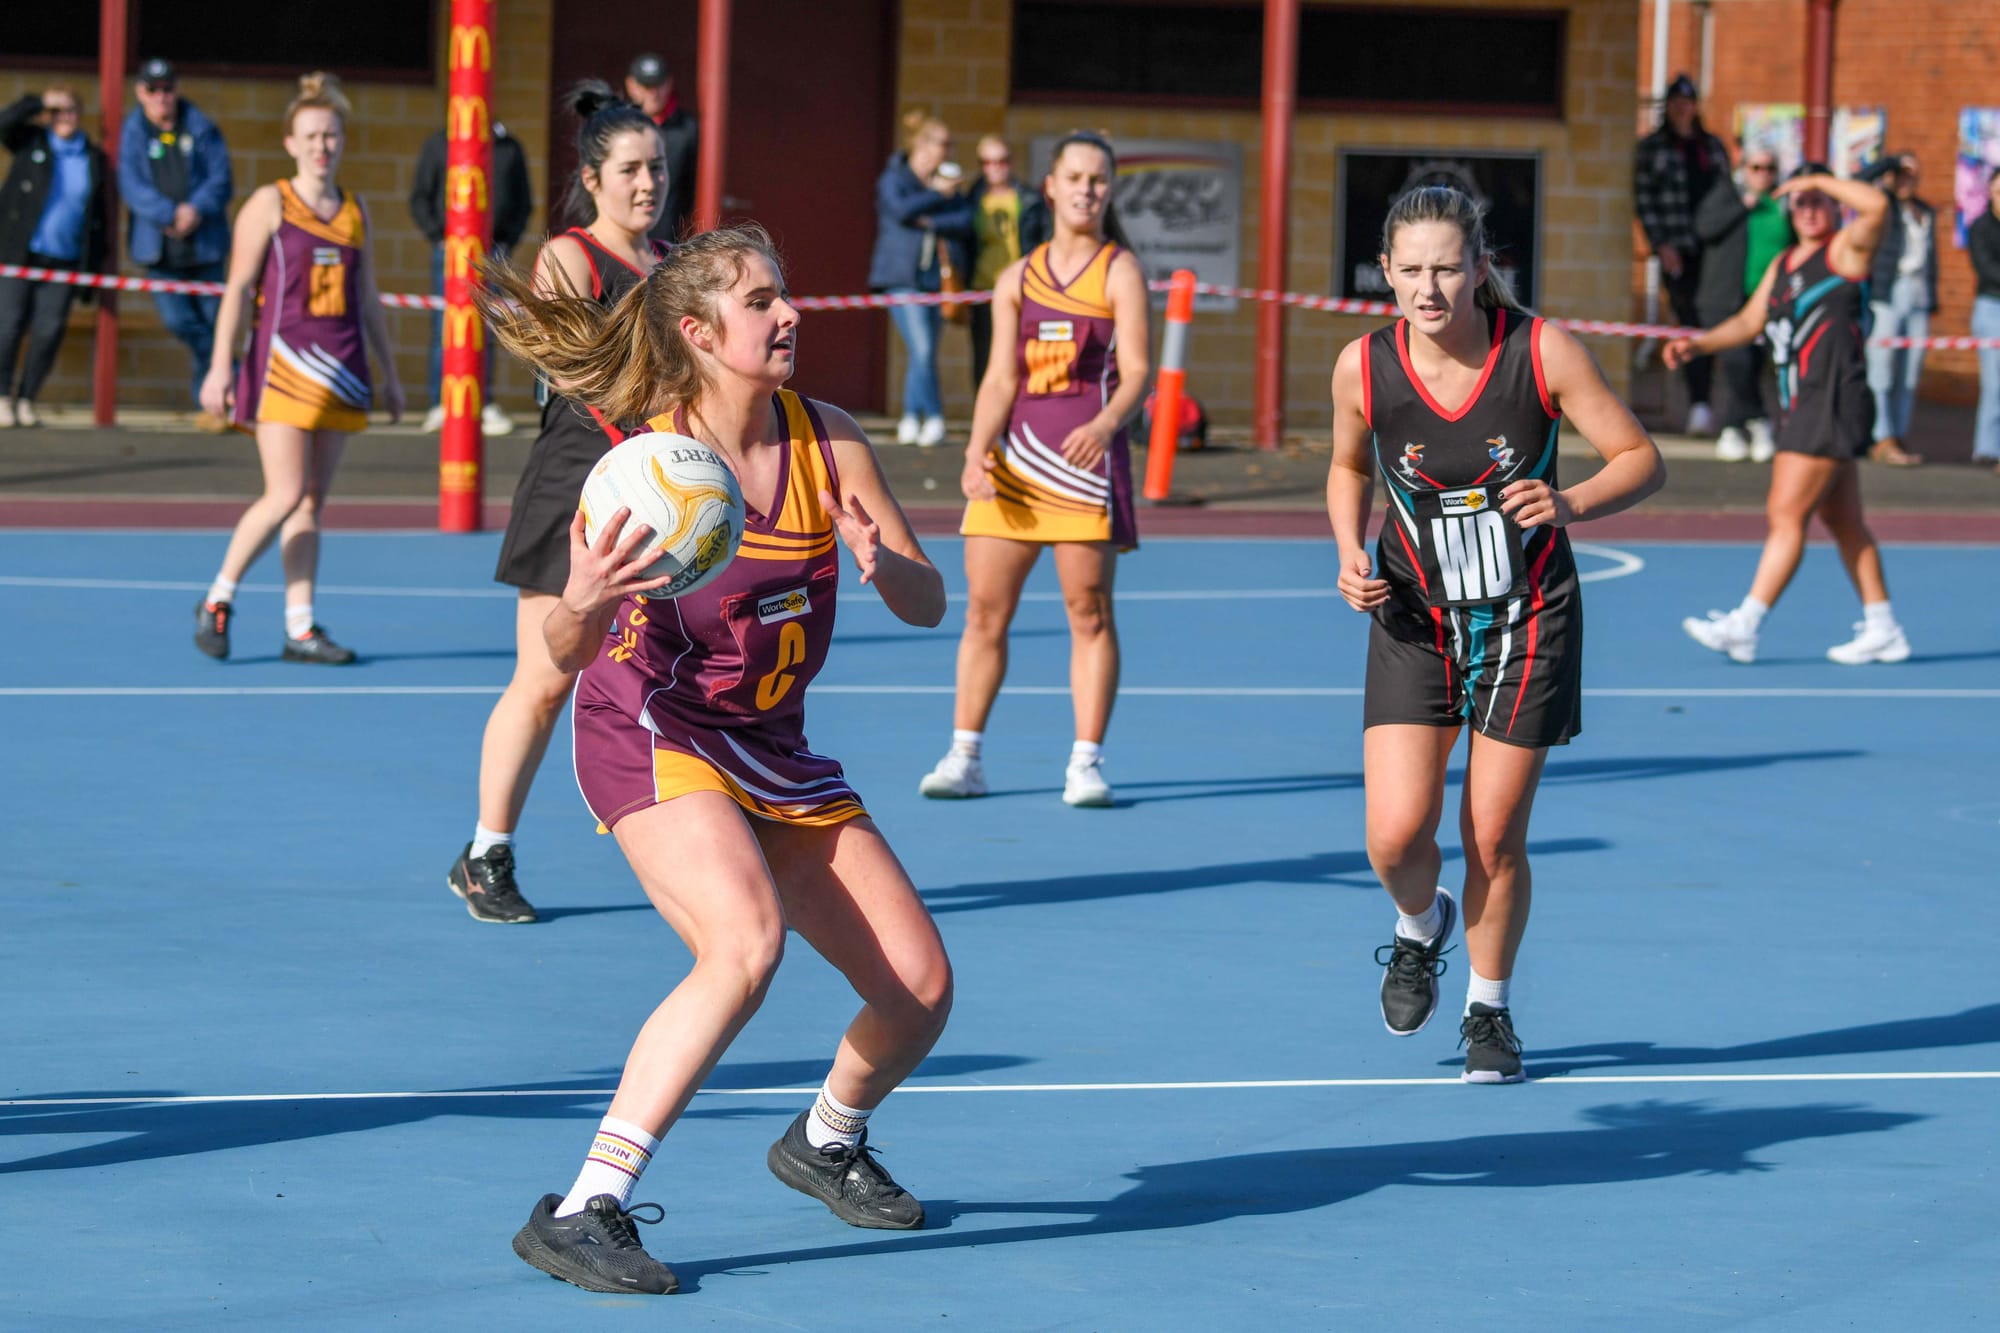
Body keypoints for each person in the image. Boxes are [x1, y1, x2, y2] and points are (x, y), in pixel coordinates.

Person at [473, 223, 953, 1295]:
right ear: (696, 332)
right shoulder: (645, 467)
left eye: (785, 295)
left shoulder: (829, 440)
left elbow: (930, 603)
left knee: (919, 989)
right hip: (652, 725)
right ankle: (586, 1203)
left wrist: (886, 569)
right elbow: (564, 649)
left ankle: (826, 1137)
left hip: (771, 747)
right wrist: (582, 603)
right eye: (760, 301)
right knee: (743, 942)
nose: (788, 315)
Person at [1327, 185, 1665, 1085]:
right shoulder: (1362, 367)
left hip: (1525, 616)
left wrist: (1569, 501)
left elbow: (1641, 458)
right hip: (1412, 615)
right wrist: (1344, 552)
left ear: (1482, 266)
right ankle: (1417, 926)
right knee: (1397, 837)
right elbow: (1346, 463)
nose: (1429, 288)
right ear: (1385, 273)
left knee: (1492, 832)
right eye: (1410, 271)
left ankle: (1490, 1007)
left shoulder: (1542, 352)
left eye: (1447, 267)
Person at [446, 83, 668, 925]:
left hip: (653, 487)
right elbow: (587, 380)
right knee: (545, 680)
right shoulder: (570, 259)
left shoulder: (671, 263)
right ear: (592, 177)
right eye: (632, 170)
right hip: (579, 483)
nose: (648, 184)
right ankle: (486, 851)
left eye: (658, 168)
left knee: (667, 677)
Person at [918, 131, 1150, 807]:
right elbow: (999, 379)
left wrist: (1105, 426)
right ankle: (965, 755)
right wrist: (973, 451)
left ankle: (1085, 760)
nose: (1086, 189)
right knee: (985, 613)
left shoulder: (1120, 271)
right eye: (1075, 177)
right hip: (1016, 464)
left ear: (1109, 190)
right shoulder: (1017, 276)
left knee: (1089, 611)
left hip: (1084, 467)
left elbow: (1137, 373)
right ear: (1049, 185)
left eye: (1099, 180)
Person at [193, 73, 404, 665]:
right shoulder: (270, 203)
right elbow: (236, 290)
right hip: (282, 367)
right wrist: (219, 368)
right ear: (290, 142)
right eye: (311, 136)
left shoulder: (355, 209)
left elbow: (367, 301)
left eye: (331, 135)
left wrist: (390, 375)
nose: (322, 146)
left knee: (311, 501)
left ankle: (300, 625)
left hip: (342, 371)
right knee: (284, 492)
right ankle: (218, 596)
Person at [1672, 166, 1912, 665]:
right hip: (1800, 403)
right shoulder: (1784, 262)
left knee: (1786, 514)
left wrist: (1820, 180)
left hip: (1831, 401)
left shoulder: (1846, 250)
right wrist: (1700, 343)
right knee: (1844, 521)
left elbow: (1878, 207)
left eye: (1817, 200)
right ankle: (1883, 625)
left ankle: (1746, 624)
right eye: (1799, 202)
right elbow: (1748, 321)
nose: (1807, 209)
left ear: (1832, 203)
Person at [117, 58, 234, 432]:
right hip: (160, 250)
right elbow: (132, 186)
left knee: (218, 324)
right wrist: (169, 213)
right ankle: (226, 382)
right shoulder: (133, 131)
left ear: (176, 89)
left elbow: (221, 179)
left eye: (167, 88)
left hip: (204, 248)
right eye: (152, 90)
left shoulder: (200, 126)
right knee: (181, 322)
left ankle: (218, 404)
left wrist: (194, 210)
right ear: (140, 92)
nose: (161, 97)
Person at [410, 123, 532, 436]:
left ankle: (482, 401)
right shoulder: (440, 143)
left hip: (492, 251)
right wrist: (438, 236)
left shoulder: (508, 147)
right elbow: (420, 196)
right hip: (450, 251)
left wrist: (507, 240)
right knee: (446, 326)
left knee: (487, 327)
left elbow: (523, 201)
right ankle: (441, 402)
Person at [0, 86, 109, 428]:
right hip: (20, 253)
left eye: (70, 111)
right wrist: (39, 102)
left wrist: (93, 267)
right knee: (8, 326)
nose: (65, 119)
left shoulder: (93, 158)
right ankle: (1, 396)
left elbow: (99, 217)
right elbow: (5, 123)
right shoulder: (32, 142)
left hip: (63, 259)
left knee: (49, 330)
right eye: (58, 113)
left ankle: (27, 398)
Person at [868, 110, 974, 447]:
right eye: (944, 143)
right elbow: (899, 211)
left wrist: (931, 220)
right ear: (924, 145)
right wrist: (936, 196)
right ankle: (936, 417)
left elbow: (966, 219)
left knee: (922, 352)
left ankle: (912, 417)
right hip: (901, 278)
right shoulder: (895, 176)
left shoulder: (946, 182)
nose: (948, 150)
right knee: (924, 348)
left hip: (936, 281)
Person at [1634, 73, 1730, 435]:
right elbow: (1645, 201)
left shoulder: (1712, 147)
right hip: (1678, 249)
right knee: (1690, 320)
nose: (1682, 109)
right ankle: (1699, 404)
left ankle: (1710, 404)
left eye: (1687, 102)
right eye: (1676, 102)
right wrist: (1661, 245)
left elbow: (1727, 196)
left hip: (1715, 249)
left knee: (1715, 321)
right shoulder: (1654, 148)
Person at [1693, 144, 1792, 462]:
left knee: (1753, 364)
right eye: (1756, 168)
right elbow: (1704, 228)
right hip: (1724, 298)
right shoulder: (1727, 194)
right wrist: (1742, 206)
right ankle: (1760, 419)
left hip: (1766, 300)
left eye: (1769, 169)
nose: (1763, 175)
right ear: (1744, 169)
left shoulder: (1782, 205)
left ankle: (1734, 428)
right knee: (1736, 362)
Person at [1857, 151, 1934, 466]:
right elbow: (1858, 183)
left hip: (1918, 292)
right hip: (1888, 290)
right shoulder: (1881, 205)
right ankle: (1881, 435)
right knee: (1882, 369)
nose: (1906, 180)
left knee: (1910, 374)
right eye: (1901, 174)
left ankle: (1899, 434)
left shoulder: (1925, 210)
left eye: (1911, 174)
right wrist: (1888, 164)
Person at [965, 133, 1050, 396]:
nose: (995, 168)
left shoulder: (1029, 199)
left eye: (1001, 161)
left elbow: (1044, 240)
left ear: (1011, 163)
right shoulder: (970, 200)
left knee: (1022, 355)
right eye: (987, 162)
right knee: (984, 359)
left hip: (1021, 290)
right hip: (983, 289)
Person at [625, 53, 697, 243]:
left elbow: (690, 189)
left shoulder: (687, 128)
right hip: (622, 236)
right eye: (646, 86)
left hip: (667, 238)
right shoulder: (618, 127)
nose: (653, 93)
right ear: (631, 85)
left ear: (669, 84)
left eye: (658, 85)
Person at [1970, 169, 2000, 474]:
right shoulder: (1981, 227)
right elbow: (1986, 267)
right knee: (1994, 382)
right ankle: (1988, 448)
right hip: (1992, 306)